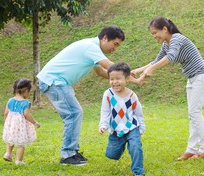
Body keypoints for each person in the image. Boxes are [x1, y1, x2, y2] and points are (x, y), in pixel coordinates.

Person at [37, 26, 141, 166]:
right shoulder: (90, 47)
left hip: (56, 81)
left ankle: (72, 152)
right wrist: (128, 72)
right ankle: (68, 155)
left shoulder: (91, 50)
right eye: (115, 44)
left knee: (74, 113)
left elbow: (103, 73)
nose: (115, 49)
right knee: (74, 113)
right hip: (54, 80)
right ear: (105, 38)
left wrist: (133, 80)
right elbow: (111, 67)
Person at [132, 17, 204, 161]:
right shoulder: (166, 44)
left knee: (194, 113)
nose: (154, 36)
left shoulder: (177, 38)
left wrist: (152, 69)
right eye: (152, 34)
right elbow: (156, 61)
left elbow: (171, 57)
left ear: (165, 29)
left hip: (202, 77)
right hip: (192, 79)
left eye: (155, 32)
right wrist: (137, 71)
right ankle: (191, 149)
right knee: (193, 114)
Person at [99, 62, 146, 176]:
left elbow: (138, 113)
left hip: (131, 127)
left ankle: (138, 171)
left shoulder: (132, 96)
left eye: (118, 79)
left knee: (136, 147)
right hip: (116, 129)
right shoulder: (108, 94)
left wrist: (141, 128)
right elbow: (105, 111)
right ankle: (121, 144)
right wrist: (103, 125)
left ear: (127, 79)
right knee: (112, 155)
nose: (114, 82)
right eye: (111, 79)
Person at [3, 78, 40, 165]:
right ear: (26, 90)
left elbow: (5, 113)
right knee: (21, 144)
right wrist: (34, 123)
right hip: (20, 127)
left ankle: (8, 153)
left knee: (11, 139)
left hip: (11, 125)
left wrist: (7, 123)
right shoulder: (25, 103)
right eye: (29, 92)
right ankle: (19, 160)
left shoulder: (10, 100)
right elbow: (26, 114)